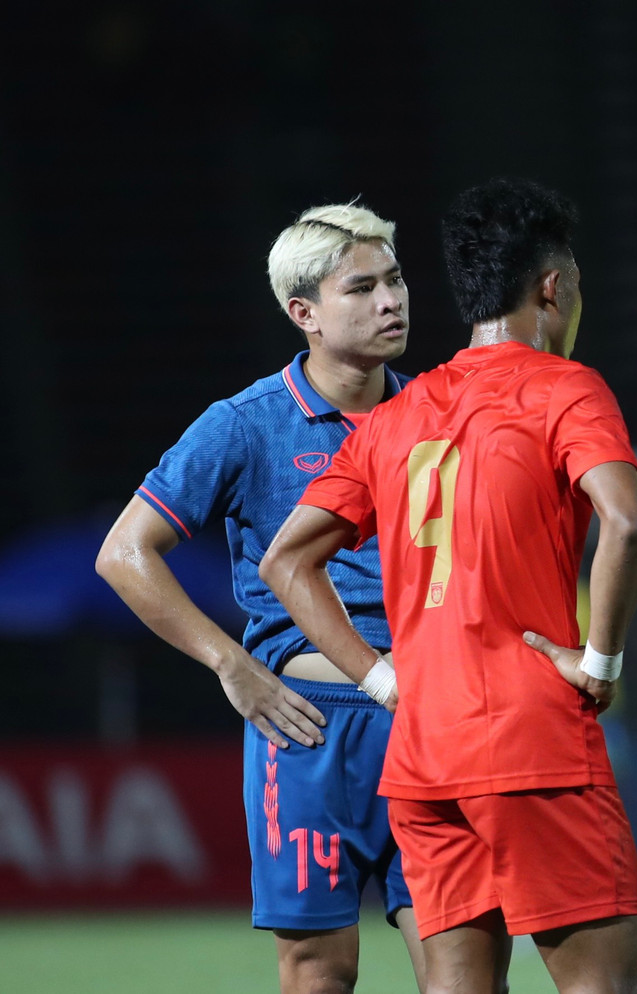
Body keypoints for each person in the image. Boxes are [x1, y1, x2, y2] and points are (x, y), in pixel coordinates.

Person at [259, 178, 637, 994]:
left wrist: (381, 679)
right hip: (534, 739)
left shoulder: (396, 417)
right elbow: (625, 519)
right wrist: (601, 662)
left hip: (424, 754)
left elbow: (286, 563)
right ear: (553, 287)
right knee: (603, 984)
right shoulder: (565, 387)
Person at [96, 203, 431, 993]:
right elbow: (124, 553)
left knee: (463, 968)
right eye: (363, 288)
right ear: (303, 313)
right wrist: (231, 664)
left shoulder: (439, 412)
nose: (391, 300)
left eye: (395, 279)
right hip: (311, 728)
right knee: (318, 972)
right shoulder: (245, 424)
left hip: (430, 717)